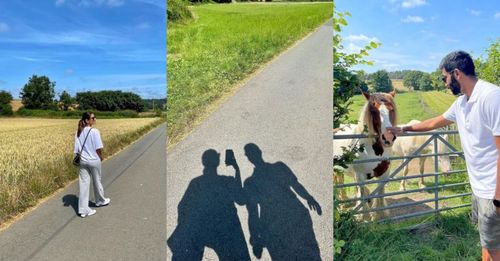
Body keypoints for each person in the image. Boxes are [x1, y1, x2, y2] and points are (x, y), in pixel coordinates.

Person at [387, 51, 500, 261]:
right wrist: (402, 129)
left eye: (444, 78)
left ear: (456, 73)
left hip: (493, 191)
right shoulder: (462, 103)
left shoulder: (491, 97)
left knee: (494, 250)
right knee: (488, 243)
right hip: (480, 187)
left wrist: (499, 198)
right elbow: (432, 123)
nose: (444, 84)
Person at [243, 143, 322, 260]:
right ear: (260, 152)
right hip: (295, 216)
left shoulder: (250, 183)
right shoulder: (279, 167)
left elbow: (253, 213)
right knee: (310, 253)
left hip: (275, 226)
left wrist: (255, 238)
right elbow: (296, 185)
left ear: (249, 158)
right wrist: (309, 198)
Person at [167, 149, 250, 261]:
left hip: (204, 230)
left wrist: (187, 226)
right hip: (227, 230)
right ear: (218, 162)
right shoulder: (227, 181)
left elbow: (182, 206)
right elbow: (241, 200)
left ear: (204, 162)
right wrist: (236, 168)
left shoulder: (195, 183)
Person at [74, 112, 110, 218]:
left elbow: (77, 150)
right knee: (97, 181)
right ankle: (100, 201)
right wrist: (101, 157)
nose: (95, 119)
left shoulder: (78, 132)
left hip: (83, 162)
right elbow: (98, 147)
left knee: (83, 185)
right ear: (87, 120)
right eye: (93, 118)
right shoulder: (94, 131)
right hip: (94, 160)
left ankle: (83, 210)